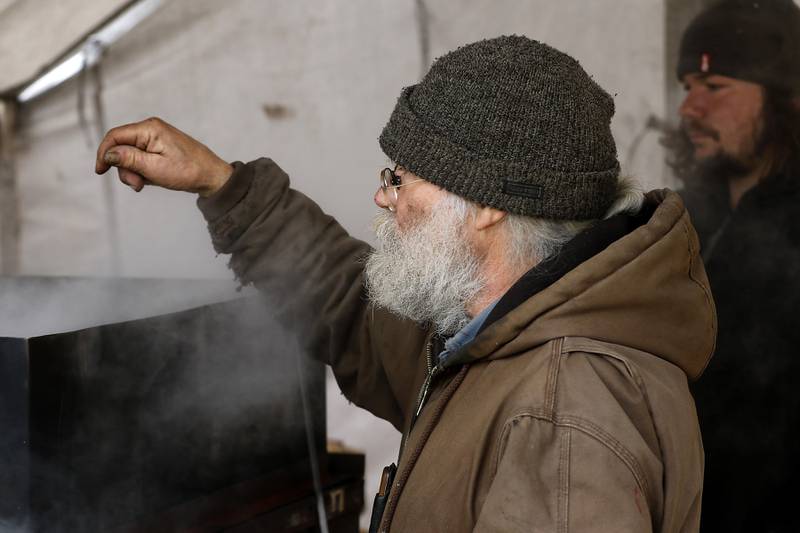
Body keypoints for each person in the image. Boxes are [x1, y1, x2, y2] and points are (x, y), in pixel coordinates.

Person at [96, 36, 715, 532]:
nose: (382, 196)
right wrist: (222, 183)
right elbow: (353, 308)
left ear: (485, 204)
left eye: (401, 178)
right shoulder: (498, 334)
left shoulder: (561, 420)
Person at [672, 1, 800, 531]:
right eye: (686, 87)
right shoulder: (675, 223)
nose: (689, 108)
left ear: (787, 99)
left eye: (714, 87)